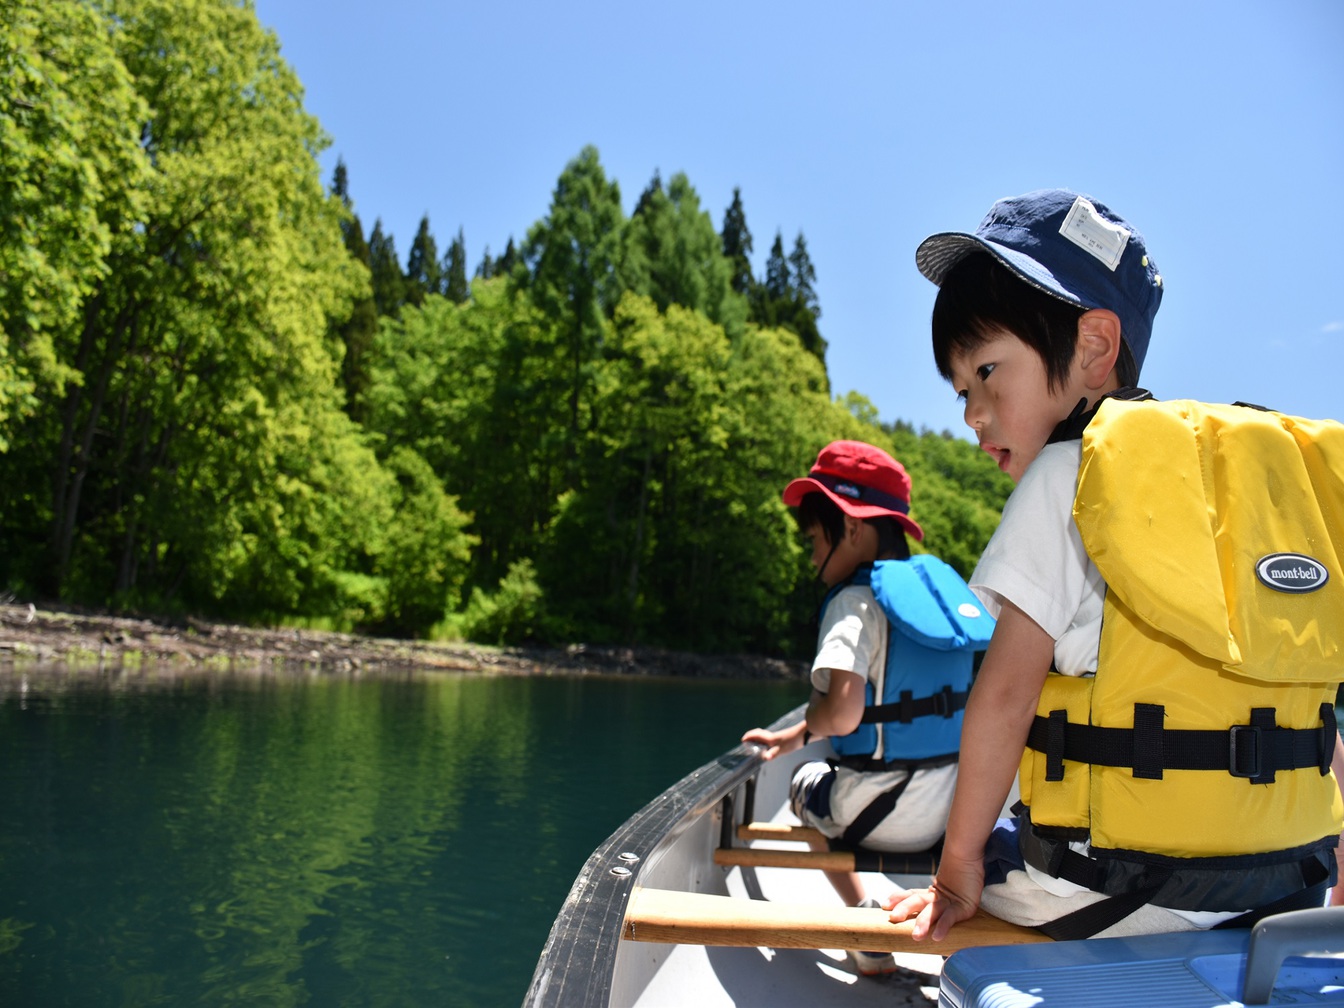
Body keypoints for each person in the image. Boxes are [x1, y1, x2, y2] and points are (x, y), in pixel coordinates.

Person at [886, 188, 1344, 943]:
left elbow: (1004, 698)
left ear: (1094, 348)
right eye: (962, 389)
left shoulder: (1063, 477)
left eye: (988, 372)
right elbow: (1300, 711)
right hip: (1281, 890)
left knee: (986, 857)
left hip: (1115, 894)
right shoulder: (1235, 502)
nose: (971, 412)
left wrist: (957, 865)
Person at [741, 439, 992, 974]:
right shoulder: (938, 598)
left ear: (852, 528)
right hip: (951, 818)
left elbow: (843, 716)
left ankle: (862, 920)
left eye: (814, 539)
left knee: (802, 786)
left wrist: (800, 736)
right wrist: (789, 735)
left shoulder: (854, 602)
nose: (811, 556)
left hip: (880, 815)